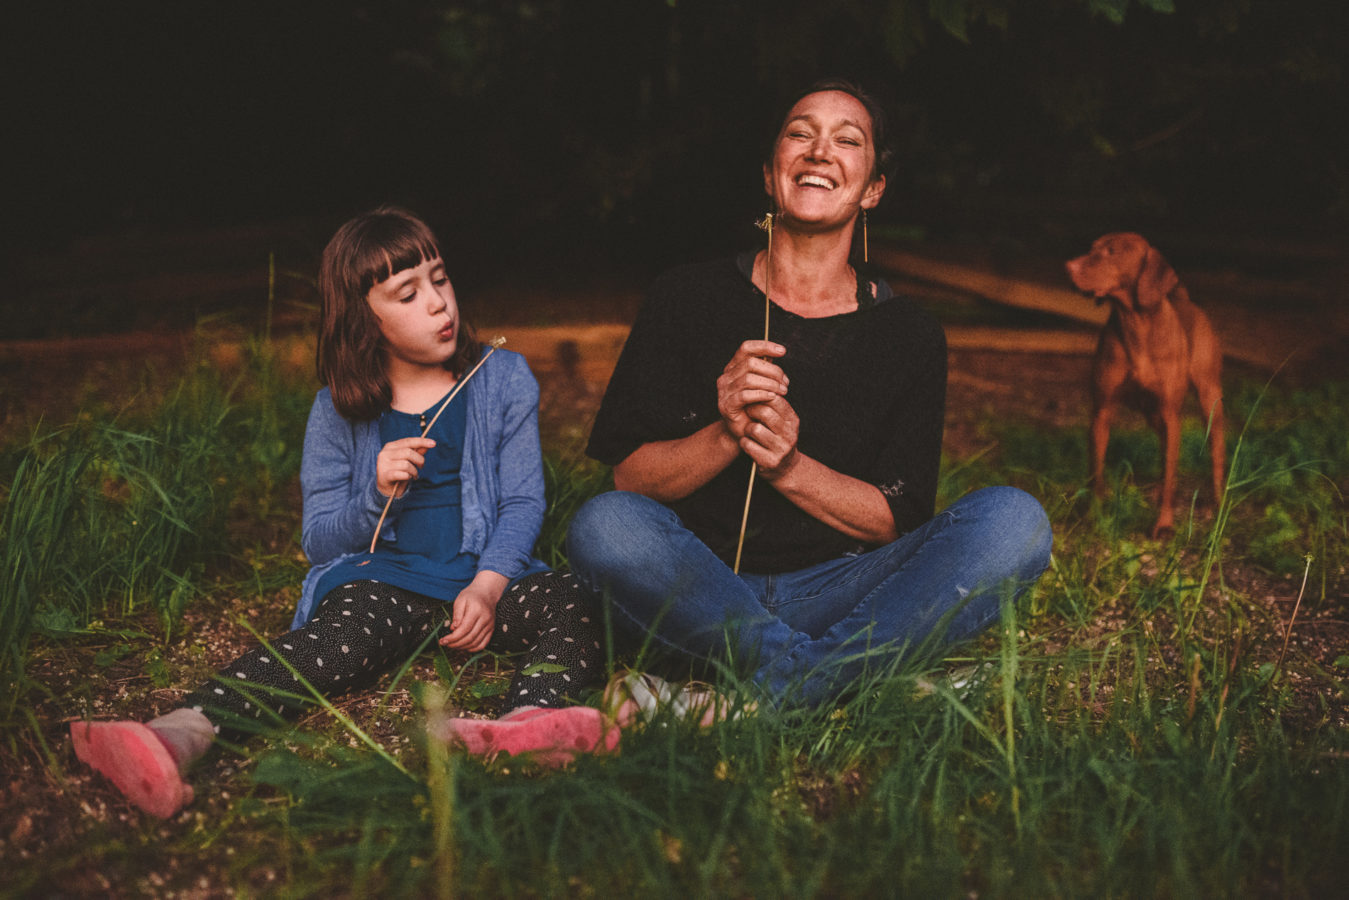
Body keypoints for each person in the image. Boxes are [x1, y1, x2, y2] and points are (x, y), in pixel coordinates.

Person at [70, 207, 612, 819]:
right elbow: (322, 543)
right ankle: (182, 732)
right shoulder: (336, 411)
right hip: (387, 584)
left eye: (440, 278)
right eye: (408, 294)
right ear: (363, 320)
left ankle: (528, 722)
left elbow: (521, 502)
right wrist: (375, 496)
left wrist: (488, 588)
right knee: (335, 640)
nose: (438, 303)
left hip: (483, 582)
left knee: (578, 596)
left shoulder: (501, 376)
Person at [567, 79, 1054, 711]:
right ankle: (858, 679)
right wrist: (727, 433)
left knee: (1014, 523)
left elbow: (891, 520)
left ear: (873, 187)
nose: (820, 151)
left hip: (846, 587)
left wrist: (787, 465)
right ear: (771, 175)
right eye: (801, 133)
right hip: (700, 588)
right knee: (604, 527)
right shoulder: (684, 298)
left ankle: (754, 693)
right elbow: (629, 484)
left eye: (847, 140)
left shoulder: (908, 333)